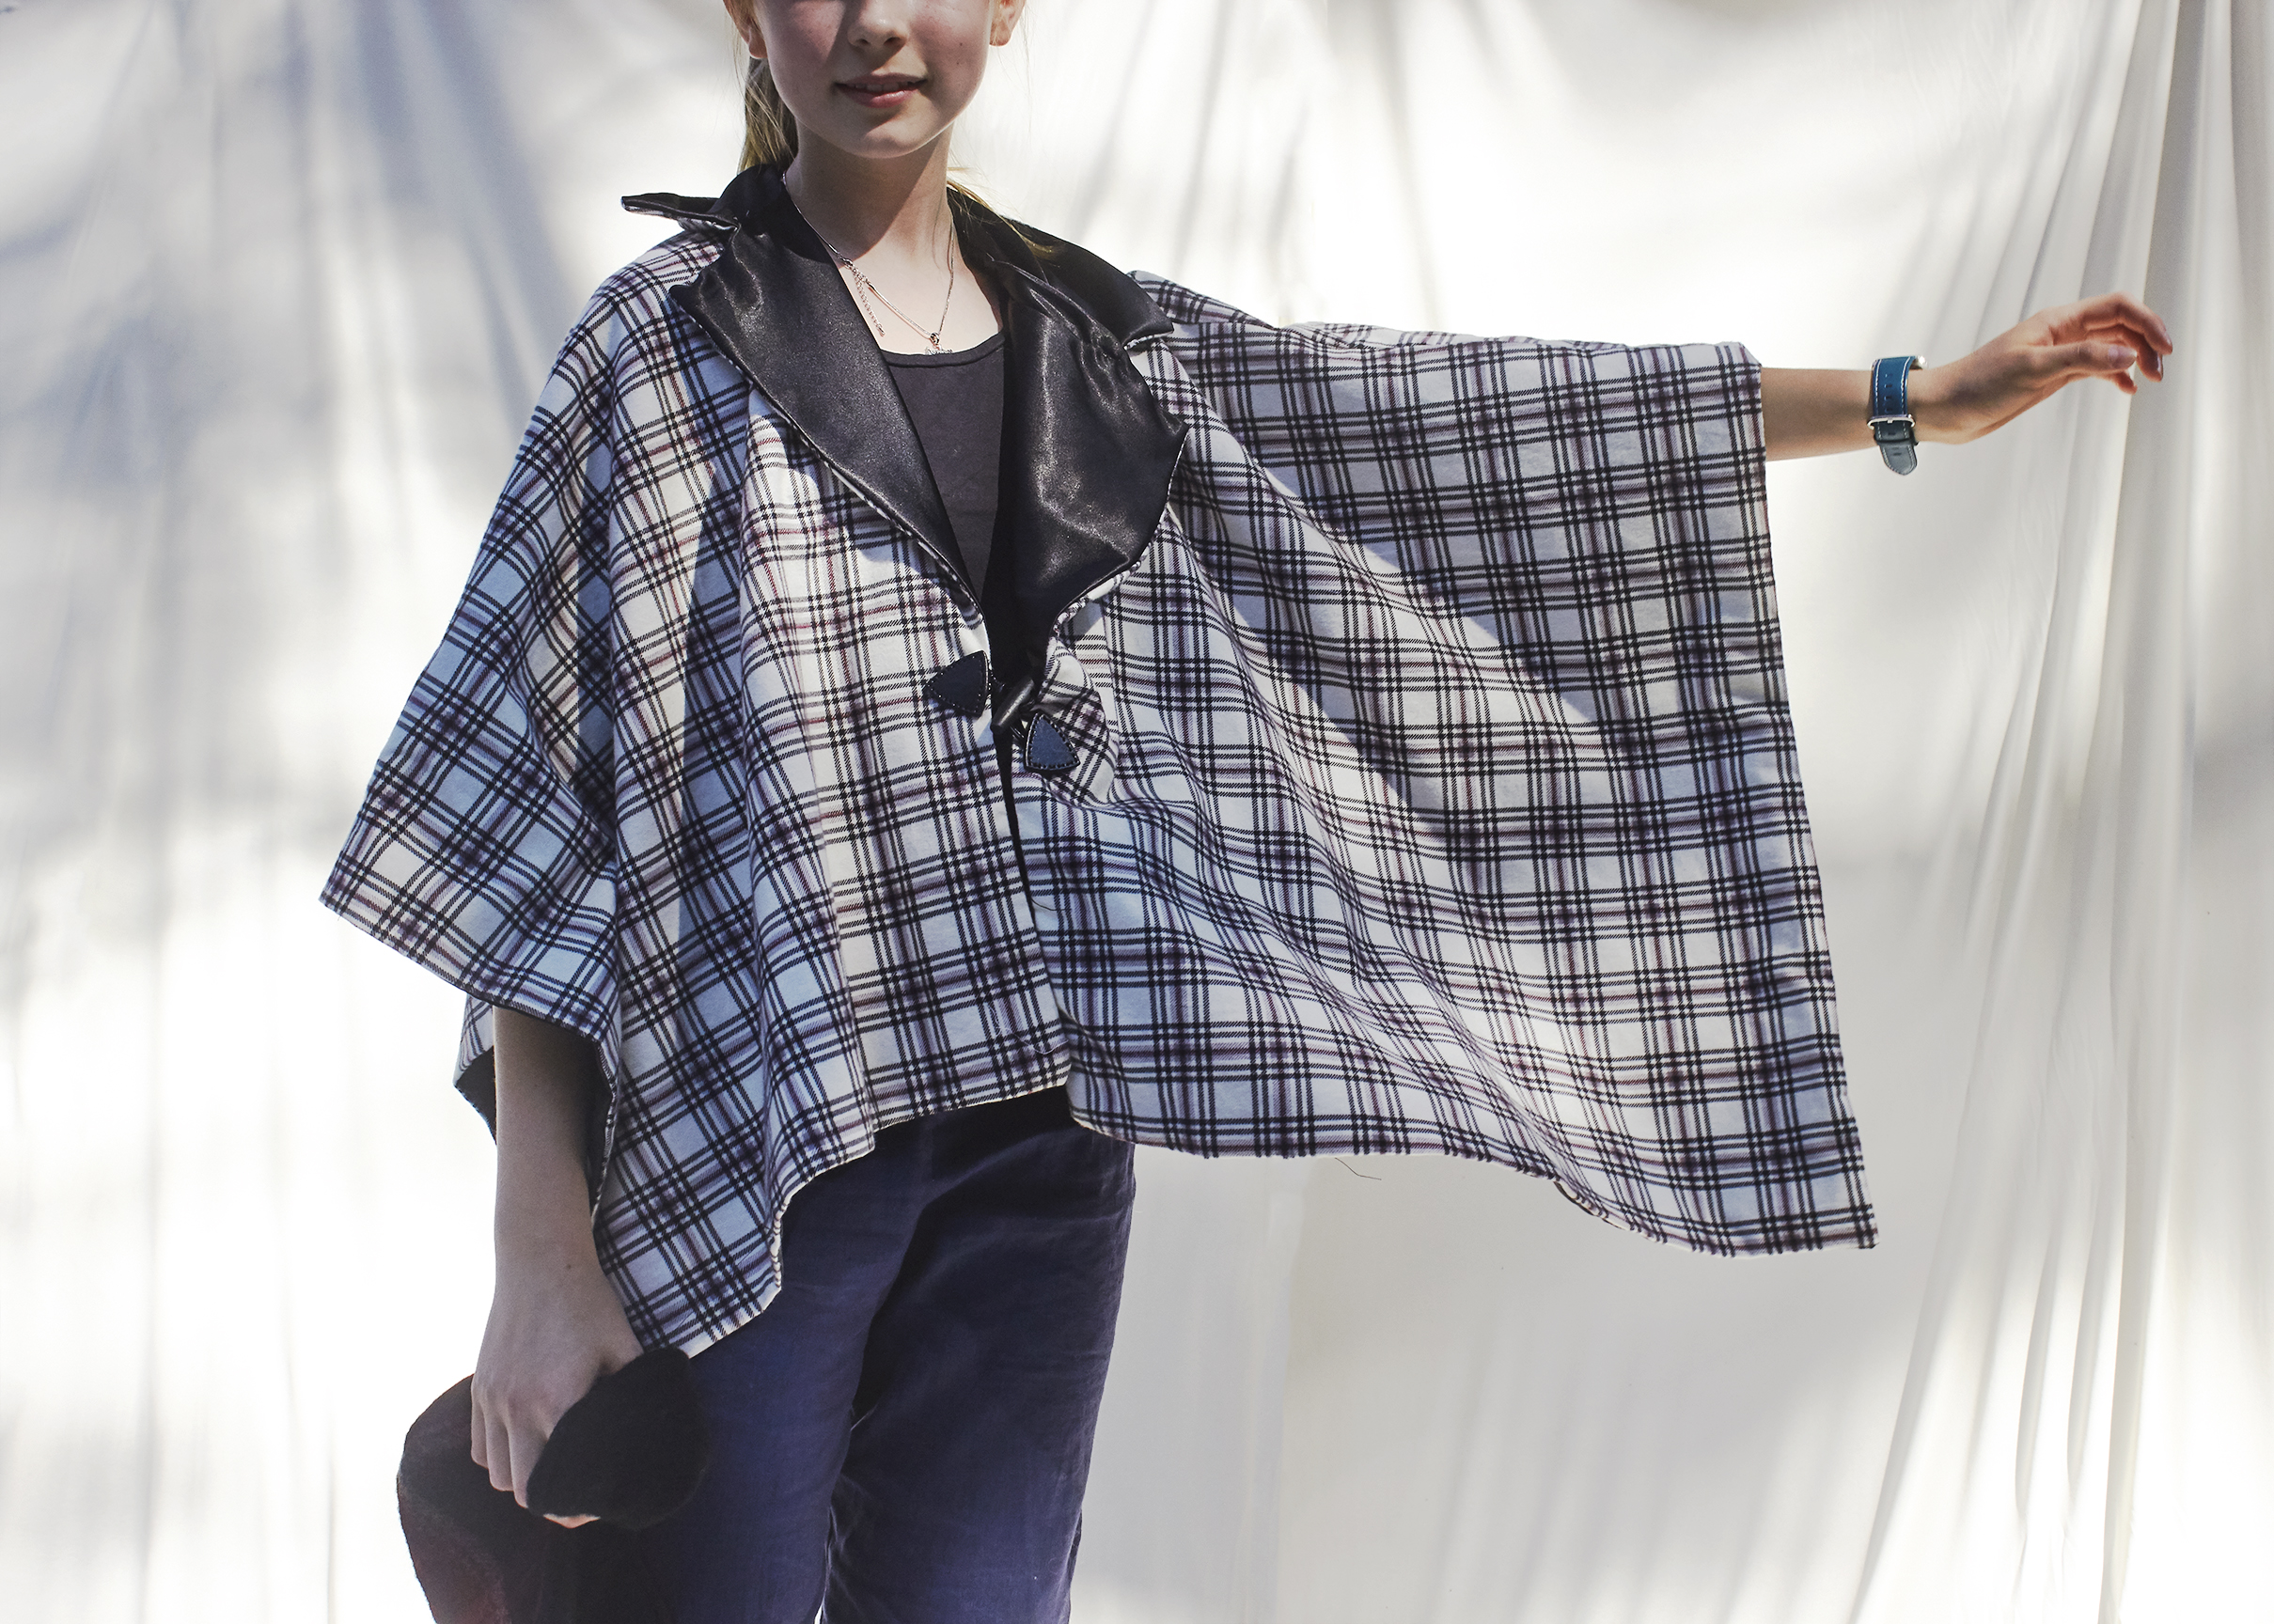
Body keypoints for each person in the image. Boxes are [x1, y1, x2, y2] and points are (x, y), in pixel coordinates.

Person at [321, 1, 2172, 1618]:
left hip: (1044, 1147)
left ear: (1010, 8)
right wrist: (538, 1265)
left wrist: (1907, 399)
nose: (881, 20)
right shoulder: (656, 361)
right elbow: (531, 832)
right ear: (746, 15)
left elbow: (1472, 437)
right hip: (753, 1138)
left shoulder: (1098, 344)